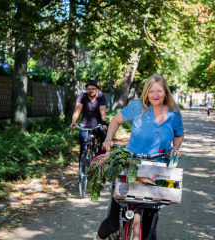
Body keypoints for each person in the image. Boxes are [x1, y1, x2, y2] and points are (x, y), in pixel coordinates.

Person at [94, 74, 184, 240]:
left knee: (150, 231)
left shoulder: (174, 115)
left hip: (157, 172)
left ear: (165, 93)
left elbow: (179, 134)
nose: (155, 95)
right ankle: (98, 238)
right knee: (114, 223)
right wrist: (108, 139)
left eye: (159, 91)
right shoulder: (137, 106)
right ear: (146, 93)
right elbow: (115, 121)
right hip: (130, 165)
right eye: (151, 91)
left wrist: (175, 148)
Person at [69, 80, 108, 178]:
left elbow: (102, 110)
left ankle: (98, 159)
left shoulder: (101, 97)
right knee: (83, 148)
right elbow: (77, 110)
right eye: (89, 89)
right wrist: (73, 123)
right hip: (85, 125)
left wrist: (103, 123)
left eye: (93, 89)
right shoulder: (82, 96)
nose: (91, 91)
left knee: (105, 139)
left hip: (97, 124)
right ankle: (82, 169)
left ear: (97, 89)